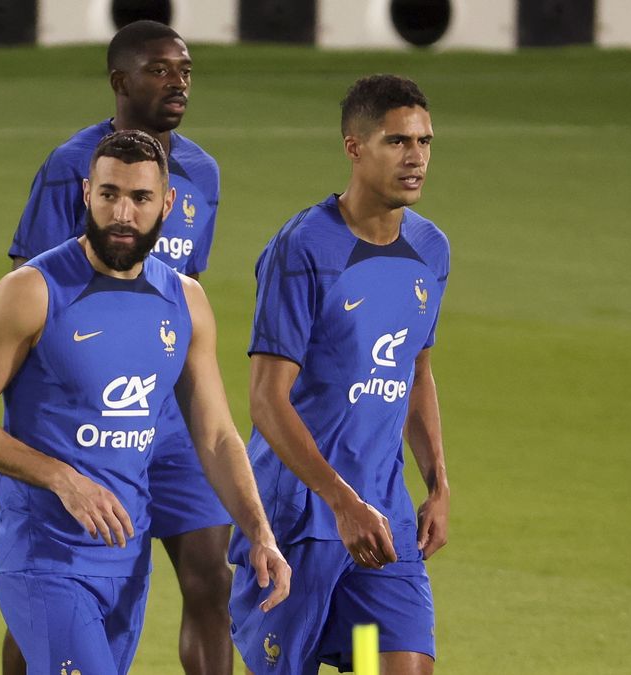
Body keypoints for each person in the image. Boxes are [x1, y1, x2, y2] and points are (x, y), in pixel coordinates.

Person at [0, 130, 290, 675]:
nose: (122, 212)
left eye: (141, 198)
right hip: (44, 557)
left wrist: (259, 532)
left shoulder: (185, 302)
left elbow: (217, 436)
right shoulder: (32, 291)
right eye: (109, 194)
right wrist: (61, 477)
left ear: (167, 205)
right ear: (86, 193)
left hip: (126, 562)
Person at [5, 20, 231, 674]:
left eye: (185, 69)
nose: (178, 82)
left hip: (169, 415)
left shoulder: (202, 174)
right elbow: (30, 289)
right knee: (54, 588)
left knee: (211, 576)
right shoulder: (70, 169)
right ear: (120, 81)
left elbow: (185, 290)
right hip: (85, 415)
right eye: (160, 69)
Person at [228, 75, 451, 674]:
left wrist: (438, 484)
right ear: (354, 147)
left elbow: (415, 369)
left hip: (384, 515)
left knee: (400, 667)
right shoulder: (302, 248)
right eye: (398, 142)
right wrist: (340, 502)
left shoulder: (431, 251)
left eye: (425, 142)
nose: (417, 158)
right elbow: (267, 400)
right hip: (300, 516)